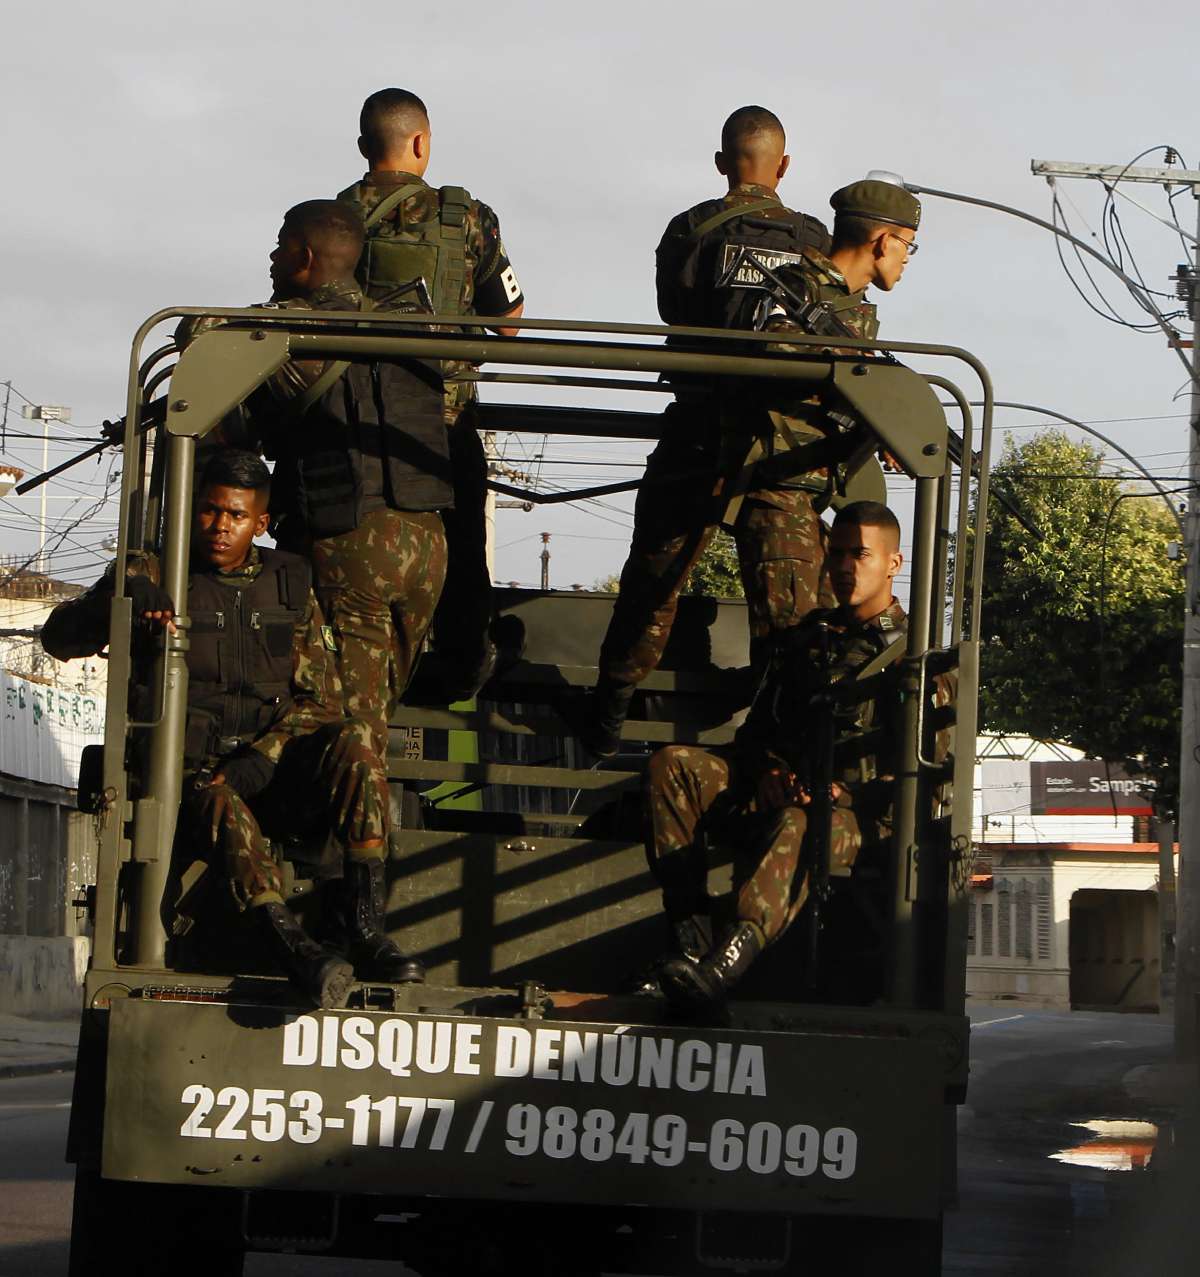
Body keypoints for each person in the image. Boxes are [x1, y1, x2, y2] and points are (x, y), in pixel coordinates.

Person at [40, 451, 424, 1006]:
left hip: (272, 772)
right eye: (211, 511)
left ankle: (366, 930)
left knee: (357, 743)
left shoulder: (289, 582)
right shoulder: (156, 569)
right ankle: (293, 945)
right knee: (221, 801)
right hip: (193, 784)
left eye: (236, 516)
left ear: (259, 523)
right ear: (195, 511)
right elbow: (58, 638)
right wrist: (117, 602)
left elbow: (322, 698)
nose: (221, 526)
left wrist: (263, 758)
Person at [581, 106, 831, 757]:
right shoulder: (812, 238)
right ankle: (771, 730)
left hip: (696, 431)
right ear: (784, 165)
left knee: (653, 581)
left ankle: (608, 711)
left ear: (722, 163)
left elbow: (675, 309)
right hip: (776, 448)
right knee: (784, 603)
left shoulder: (690, 229)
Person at [641, 501, 923, 1010]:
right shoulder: (807, 642)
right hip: (784, 792)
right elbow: (756, 733)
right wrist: (769, 769)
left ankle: (726, 966)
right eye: (836, 554)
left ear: (893, 563)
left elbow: (923, 780)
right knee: (674, 767)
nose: (844, 567)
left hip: (859, 822)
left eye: (860, 555)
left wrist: (843, 793)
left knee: (800, 822)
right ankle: (692, 940)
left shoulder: (913, 658)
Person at [241, 198, 453, 767]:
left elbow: (233, 431)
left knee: (356, 729)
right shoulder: (409, 328)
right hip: (427, 543)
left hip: (350, 542)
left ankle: (354, 851)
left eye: (281, 245)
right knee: (378, 703)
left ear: (305, 257)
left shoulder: (282, 335)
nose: (271, 256)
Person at [337, 87, 526, 701]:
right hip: (440, 423)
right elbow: (510, 317)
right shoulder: (467, 218)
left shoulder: (330, 219)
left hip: (352, 423)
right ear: (421, 143)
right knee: (463, 549)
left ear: (365, 146)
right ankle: (461, 662)